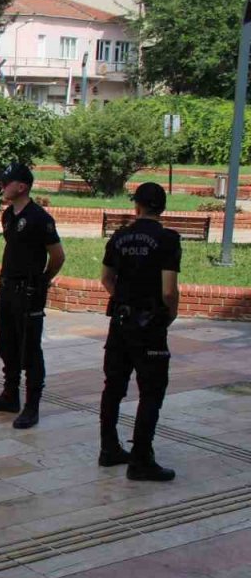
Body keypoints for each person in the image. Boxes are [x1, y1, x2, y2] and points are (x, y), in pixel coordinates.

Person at [98, 182, 179, 482]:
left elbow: (106, 278)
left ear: (137, 206)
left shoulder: (120, 236)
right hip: (150, 327)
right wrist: (169, 313)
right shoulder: (168, 239)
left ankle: (109, 449)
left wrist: (124, 298)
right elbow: (169, 290)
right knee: (151, 391)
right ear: (162, 207)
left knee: (114, 388)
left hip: (120, 323)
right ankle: (142, 459)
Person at [0, 163, 65, 429]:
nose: (2, 186)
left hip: (28, 292)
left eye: (7, 182)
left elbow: (58, 256)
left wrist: (42, 281)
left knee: (30, 349)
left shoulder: (40, 218)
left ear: (22, 186)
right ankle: (10, 395)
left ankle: (31, 406)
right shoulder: (8, 215)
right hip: (6, 289)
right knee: (7, 344)